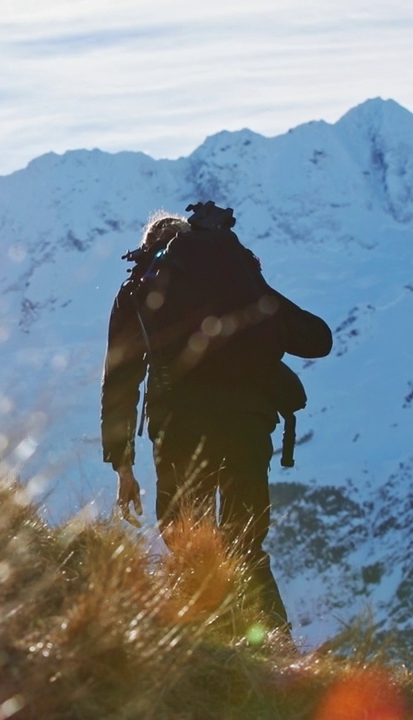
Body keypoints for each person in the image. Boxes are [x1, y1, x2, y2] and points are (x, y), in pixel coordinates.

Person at [100, 206, 332, 631]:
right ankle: (276, 652)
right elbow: (316, 340)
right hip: (248, 425)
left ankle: (209, 650)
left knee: (190, 544)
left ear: (150, 250)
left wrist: (123, 463)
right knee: (246, 545)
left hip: (179, 428)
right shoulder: (239, 286)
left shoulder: (139, 289)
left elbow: (120, 379)